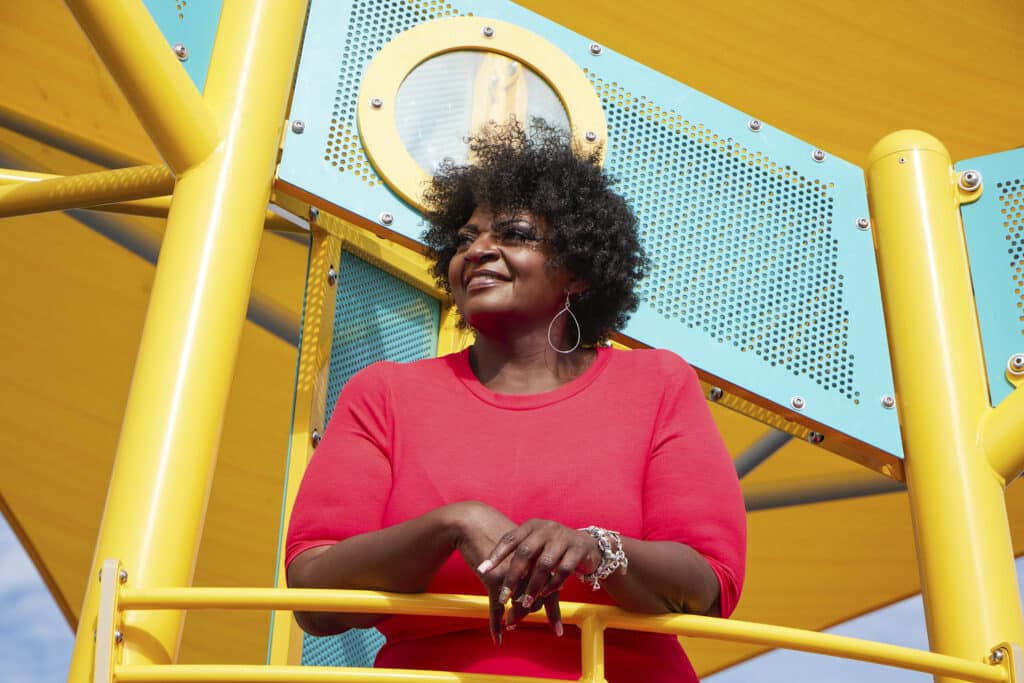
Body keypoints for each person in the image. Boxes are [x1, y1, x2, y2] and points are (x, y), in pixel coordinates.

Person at [285, 120, 746, 681]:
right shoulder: (384, 394)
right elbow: (312, 594)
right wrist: (450, 524)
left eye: (516, 234)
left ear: (576, 270)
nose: (479, 250)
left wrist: (594, 549)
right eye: (464, 239)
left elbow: (709, 584)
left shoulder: (656, 383)